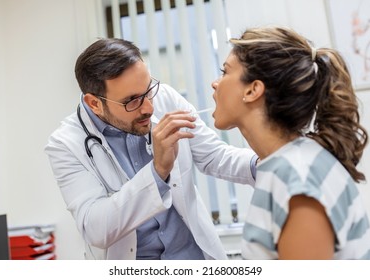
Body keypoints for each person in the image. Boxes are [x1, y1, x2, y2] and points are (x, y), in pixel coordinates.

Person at [44, 38, 258, 260]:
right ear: (95, 104)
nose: (149, 107)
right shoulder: (65, 145)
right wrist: (158, 171)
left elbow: (214, 156)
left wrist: (263, 163)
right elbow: (95, 228)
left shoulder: (165, 98)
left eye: (148, 90)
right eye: (132, 100)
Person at [211, 26, 370, 259]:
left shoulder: (297, 179)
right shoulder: (286, 163)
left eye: (224, 72)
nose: (215, 84)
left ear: (253, 90)